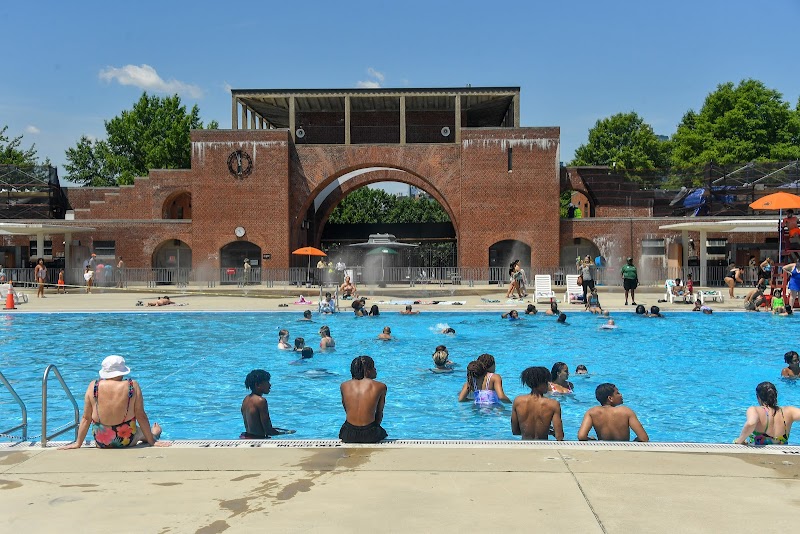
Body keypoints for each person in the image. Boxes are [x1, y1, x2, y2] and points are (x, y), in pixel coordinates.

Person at [60, 355, 165, 449]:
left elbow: (86, 418)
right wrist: (152, 441)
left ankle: (152, 434)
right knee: (143, 433)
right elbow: (140, 415)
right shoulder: (132, 385)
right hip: (126, 440)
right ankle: (155, 433)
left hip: (101, 441)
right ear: (122, 371)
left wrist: (78, 443)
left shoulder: (93, 386)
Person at [339, 356, 388, 443]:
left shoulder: (344, 386)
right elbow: (379, 413)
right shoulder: (380, 386)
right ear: (367, 371)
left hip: (349, 434)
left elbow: (347, 409)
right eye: (373, 367)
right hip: (370, 434)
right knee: (383, 433)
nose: (375, 369)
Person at [733, 381, 800, 445]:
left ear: (758, 397)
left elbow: (751, 423)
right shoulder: (790, 411)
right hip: (782, 455)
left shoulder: (755, 410)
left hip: (759, 455)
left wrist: (740, 441)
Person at [577, 383, 649, 442]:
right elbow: (644, 438)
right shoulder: (626, 411)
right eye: (617, 393)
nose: (621, 395)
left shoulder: (592, 412)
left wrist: (592, 440)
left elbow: (581, 436)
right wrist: (634, 442)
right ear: (610, 398)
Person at [511, 366, 564, 440]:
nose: (548, 384)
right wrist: (549, 431)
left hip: (524, 446)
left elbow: (515, 431)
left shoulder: (518, 401)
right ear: (540, 383)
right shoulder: (553, 404)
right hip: (543, 447)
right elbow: (559, 436)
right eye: (546, 382)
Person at [240, 369, 280, 439]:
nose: (270, 385)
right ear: (257, 385)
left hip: (246, 437)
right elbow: (268, 430)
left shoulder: (246, 399)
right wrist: (286, 433)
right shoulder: (261, 401)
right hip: (258, 440)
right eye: (267, 382)